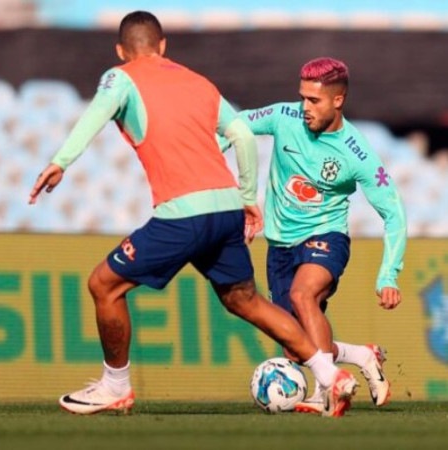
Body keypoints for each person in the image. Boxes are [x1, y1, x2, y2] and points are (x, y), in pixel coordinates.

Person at [29, 11, 357, 417]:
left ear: (121, 50)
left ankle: (114, 386)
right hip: (224, 208)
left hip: (183, 213)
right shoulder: (197, 81)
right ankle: (330, 374)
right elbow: (240, 134)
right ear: (163, 45)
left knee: (104, 286)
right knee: (245, 299)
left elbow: (98, 111)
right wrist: (247, 196)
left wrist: (61, 160)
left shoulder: (120, 77)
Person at [235, 57, 407, 413]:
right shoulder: (285, 116)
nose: (305, 108)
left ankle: (325, 390)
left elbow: (394, 213)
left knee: (302, 295)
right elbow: (234, 126)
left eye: (314, 101)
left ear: (338, 100)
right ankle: (362, 355)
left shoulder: (356, 152)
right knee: (293, 345)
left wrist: (389, 274)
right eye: (303, 98)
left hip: (327, 236)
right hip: (280, 244)